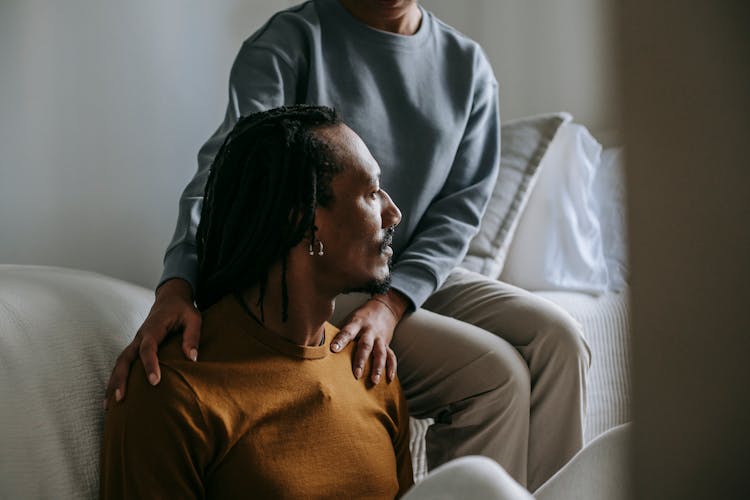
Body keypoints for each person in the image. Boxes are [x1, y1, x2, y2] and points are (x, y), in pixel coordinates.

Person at [105, 0, 590, 490]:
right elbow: (231, 171)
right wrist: (177, 283)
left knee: (559, 340)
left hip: (408, 271)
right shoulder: (291, 41)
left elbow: (458, 212)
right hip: (331, 268)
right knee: (495, 375)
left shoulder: (469, 67)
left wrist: (393, 303)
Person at [99, 105, 536, 500]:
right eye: (370, 193)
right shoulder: (173, 388)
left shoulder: (371, 368)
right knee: (481, 483)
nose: (393, 213)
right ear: (303, 221)